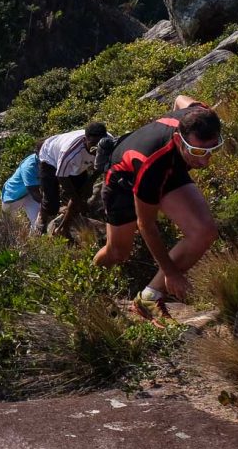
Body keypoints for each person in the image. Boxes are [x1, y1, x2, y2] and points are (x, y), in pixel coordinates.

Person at [94, 95, 224, 323]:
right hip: (124, 182)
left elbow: (180, 99)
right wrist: (171, 273)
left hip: (171, 164)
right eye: (197, 151)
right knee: (118, 252)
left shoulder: (200, 116)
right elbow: (146, 224)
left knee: (203, 232)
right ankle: (91, 283)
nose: (205, 161)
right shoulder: (151, 165)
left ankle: (149, 298)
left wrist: (188, 151)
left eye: (212, 149)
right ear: (179, 139)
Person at [37, 122, 111, 236]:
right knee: (51, 204)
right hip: (50, 157)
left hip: (78, 162)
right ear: (85, 139)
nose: (96, 149)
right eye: (93, 144)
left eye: (99, 145)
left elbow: (102, 164)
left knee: (84, 193)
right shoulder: (70, 153)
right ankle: (42, 216)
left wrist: (90, 183)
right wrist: (75, 199)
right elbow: (62, 176)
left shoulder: (108, 143)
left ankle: (64, 226)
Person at [1, 146, 42, 229]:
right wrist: (52, 206)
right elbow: (34, 191)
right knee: (11, 227)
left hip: (28, 193)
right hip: (12, 196)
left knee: (37, 222)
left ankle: (34, 235)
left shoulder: (46, 160)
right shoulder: (29, 166)